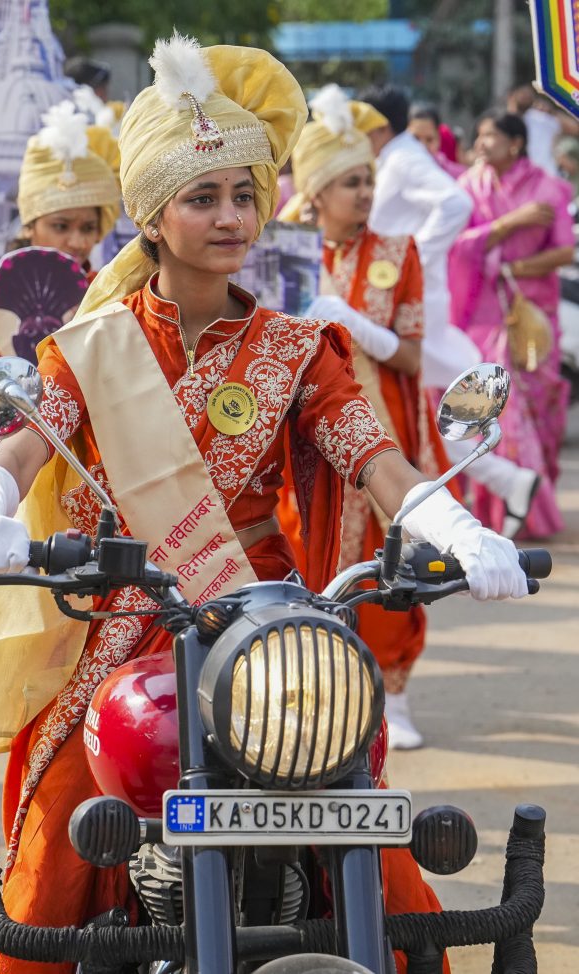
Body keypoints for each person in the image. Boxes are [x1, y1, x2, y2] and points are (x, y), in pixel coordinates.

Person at [0, 36, 528, 974]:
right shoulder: (89, 348)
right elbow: (23, 450)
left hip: (267, 631)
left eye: (244, 196)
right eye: (202, 197)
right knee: (63, 830)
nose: (231, 218)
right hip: (133, 619)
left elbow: (376, 461)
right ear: (151, 213)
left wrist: (460, 529)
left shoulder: (300, 350)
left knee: (364, 821)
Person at [278, 84, 457, 748]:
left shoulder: (396, 252)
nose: (364, 192)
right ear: (316, 190)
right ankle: (308, 693)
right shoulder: (285, 247)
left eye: (369, 179)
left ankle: (392, 693)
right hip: (301, 436)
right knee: (304, 556)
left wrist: (355, 327)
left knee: (389, 562)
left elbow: (412, 357)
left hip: (383, 433)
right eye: (350, 181)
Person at [361, 84, 541, 538]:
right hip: (402, 299)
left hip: (412, 302)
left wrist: (414, 257)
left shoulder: (402, 158)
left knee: (423, 402)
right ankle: (507, 481)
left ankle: (498, 485)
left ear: (379, 125)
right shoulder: (392, 157)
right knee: (426, 411)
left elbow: (455, 202)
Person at [0, 101, 121, 500]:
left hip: (101, 482)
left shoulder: (116, 298)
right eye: (61, 226)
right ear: (30, 223)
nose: (77, 241)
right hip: (11, 478)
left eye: (89, 227)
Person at [449, 110, 574, 537]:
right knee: (492, 411)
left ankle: (533, 505)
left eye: (490, 136)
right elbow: (456, 246)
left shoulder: (548, 188)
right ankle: (496, 513)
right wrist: (508, 225)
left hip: (533, 320)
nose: (481, 143)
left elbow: (564, 251)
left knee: (542, 412)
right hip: (481, 315)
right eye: (479, 135)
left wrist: (513, 267)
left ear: (515, 143)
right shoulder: (466, 189)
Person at [407, 103, 466, 179]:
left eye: (429, 139)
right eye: (415, 139)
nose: (422, 146)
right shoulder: (392, 172)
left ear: (438, 139)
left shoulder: (461, 178)